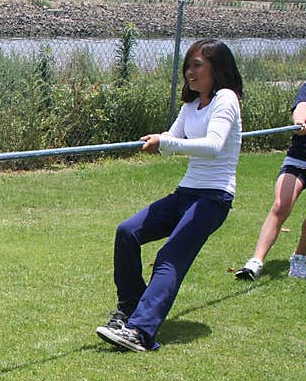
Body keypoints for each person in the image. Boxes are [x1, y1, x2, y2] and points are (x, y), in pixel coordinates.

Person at [96, 38, 243, 353]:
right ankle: (131, 309)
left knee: (169, 257)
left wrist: (166, 143)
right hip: (186, 192)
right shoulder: (191, 105)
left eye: (197, 65)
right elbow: (173, 140)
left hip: (213, 198)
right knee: (127, 232)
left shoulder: (226, 99)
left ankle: (140, 332)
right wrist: (158, 141)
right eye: (188, 65)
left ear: (217, 69)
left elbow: (213, 145)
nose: (190, 72)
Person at [234, 84, 306, 281]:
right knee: (281, 205)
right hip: (299, 158)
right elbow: (301, 108)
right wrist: (300, 123)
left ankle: (300, 257)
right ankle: (256, 262)